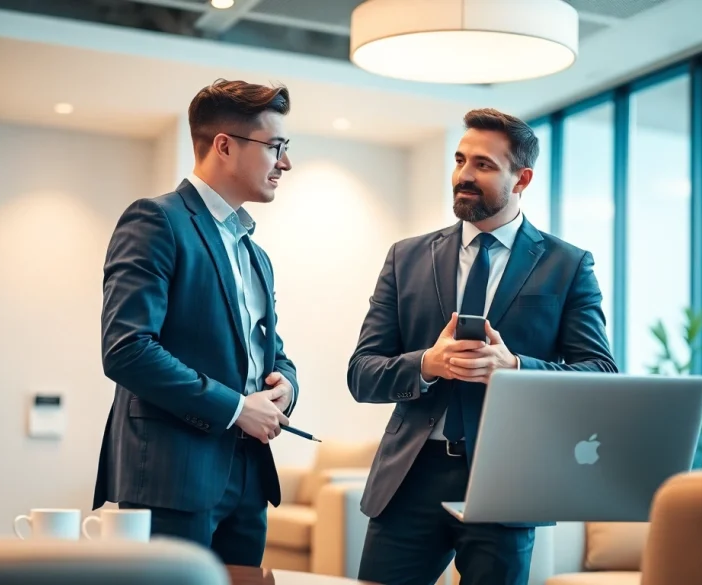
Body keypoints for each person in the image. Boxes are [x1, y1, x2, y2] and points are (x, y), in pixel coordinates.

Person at [347, 108, 618, 585]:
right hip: (410, 477)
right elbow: (362, 373)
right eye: (460, 160)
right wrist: (426, 364)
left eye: (484, 165)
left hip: (507, 479)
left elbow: (600, 375)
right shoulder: (405, 256)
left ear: (523, 178)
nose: (463, 176)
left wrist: (512, 366)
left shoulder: (567, 265)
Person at [93, 79, 299, 566]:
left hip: (248, 478)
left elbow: (272, 352)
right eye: (276, 147)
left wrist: (285, 385)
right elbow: (127, 348)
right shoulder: (156, 220)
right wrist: (235, 408)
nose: (285, 163)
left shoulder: (256, 253)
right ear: (225, 146)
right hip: (172, 477)